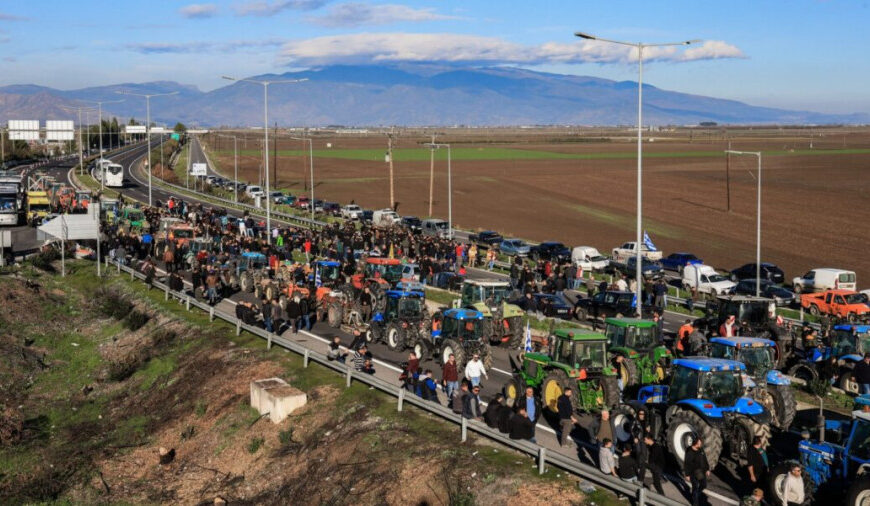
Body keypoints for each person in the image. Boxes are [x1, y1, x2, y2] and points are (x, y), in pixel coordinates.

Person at [684, 437, 710, 506]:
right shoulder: (689, 451)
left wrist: (707, 469)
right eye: (699, 443)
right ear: (695, 443)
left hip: (702, 472)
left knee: (704, 485)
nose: (700, 444)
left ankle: (695, 495)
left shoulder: (700, 449)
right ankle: (695, 503)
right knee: (695, 487)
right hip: (693, 472)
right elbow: (687, 463)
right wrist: (687, 474)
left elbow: (704, 459)